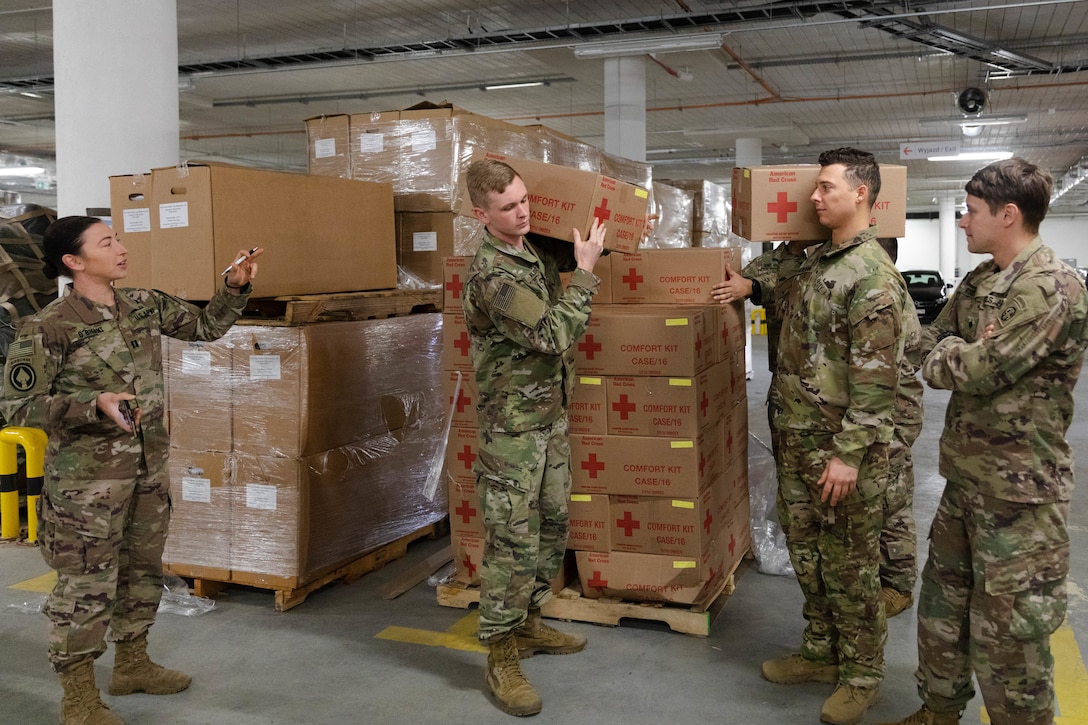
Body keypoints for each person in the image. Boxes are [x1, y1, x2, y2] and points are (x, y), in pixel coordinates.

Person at [0, 216, 260, 725]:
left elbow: (205, 327)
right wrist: (91, 404)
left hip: (147, 473)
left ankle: (132, 664)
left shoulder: (142, 305)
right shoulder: (48, 326)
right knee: (85, 589)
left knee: (141, 574)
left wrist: (232, 287)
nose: (120, 248)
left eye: (117, 237)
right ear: (74, 262)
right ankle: (78, 700)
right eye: (106, 242)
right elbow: (17, 407)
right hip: (85, 489)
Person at [879, 159, 1088, 725]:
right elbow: (932, 340)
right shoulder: (980, 280)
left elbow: (975, 371)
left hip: (1019, 495)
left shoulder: (1052, 287)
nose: (963, 223)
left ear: (1008, 214)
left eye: (971, 213)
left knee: (1011, 637)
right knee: (942, 609)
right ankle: (939, 711)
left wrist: (960, 354)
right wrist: (961, 350)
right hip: (966, 480)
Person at [762, 148, 908, 725]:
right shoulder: (819, 263)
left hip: (840, 454)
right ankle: (821, 652)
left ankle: (863, 674)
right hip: (797, 442)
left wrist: (848, 458)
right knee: (808, 557)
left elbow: (876, 387)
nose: (814, 198)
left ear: (862, 196)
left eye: (825, 188)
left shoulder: (872, 277)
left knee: (850, 567)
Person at [461, 159, 605, 717]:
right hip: (512, 431)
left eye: (524, 200)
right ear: (482, 214)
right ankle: (500, 652)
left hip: (550, 419)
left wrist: (602, 234)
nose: (522, 212)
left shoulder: (530, 248)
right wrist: (587, 275)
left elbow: (577, 249)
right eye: (508, 207)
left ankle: (530, 624)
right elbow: (552, 332)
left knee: (551, 524)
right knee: (511, 542)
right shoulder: (492, 275)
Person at [873, 238, 925, 619]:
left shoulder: (889, 292)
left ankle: (899, 585)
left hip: (895, 412)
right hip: (888, 410)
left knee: (893, 504)